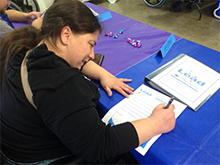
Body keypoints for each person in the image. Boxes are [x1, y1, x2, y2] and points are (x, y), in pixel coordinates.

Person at [0, 0, 176, 164]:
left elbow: (63, 59)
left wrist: (101, 73)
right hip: (37, 159)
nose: (92, 54)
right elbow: (100, 145)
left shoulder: (26, 46)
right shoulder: (61, 84)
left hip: (15, 148)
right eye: (90, 44)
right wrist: (156, 123)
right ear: (66, 34)